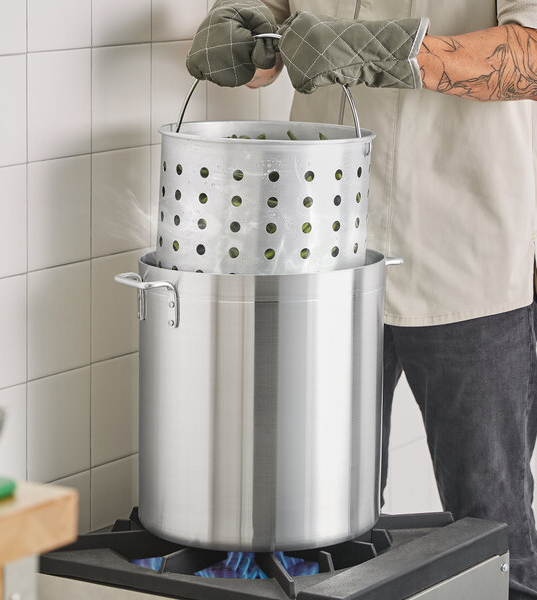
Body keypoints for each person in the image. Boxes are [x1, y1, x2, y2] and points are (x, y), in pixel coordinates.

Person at [187, 1, 537, 598]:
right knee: (313, 528)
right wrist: (239, 27)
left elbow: (529, 58)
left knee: (491, 531)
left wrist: (390, 51)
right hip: (320, 246)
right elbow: (271, 14)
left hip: (468, 258)